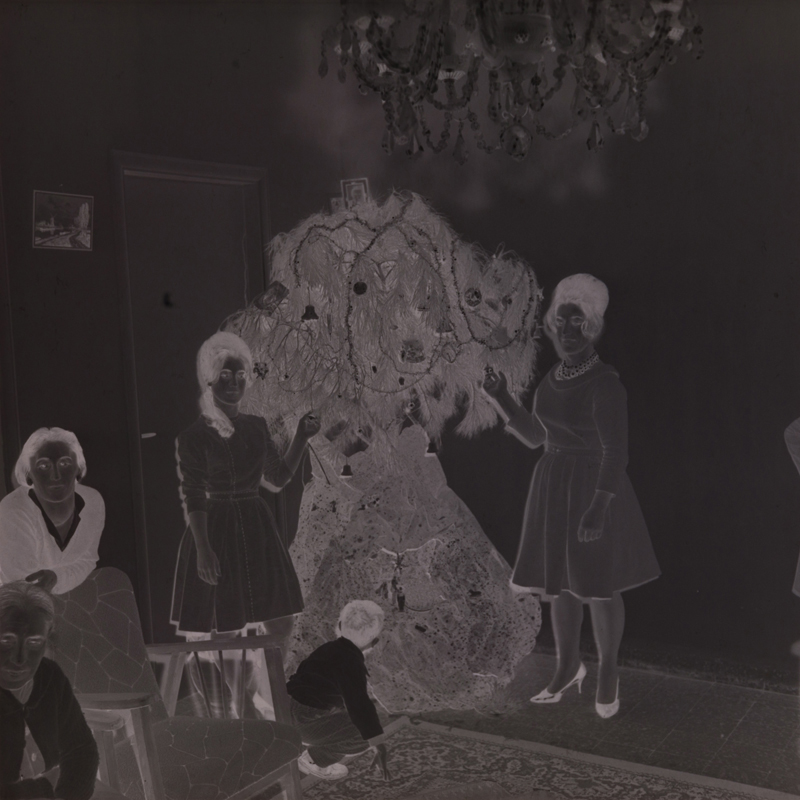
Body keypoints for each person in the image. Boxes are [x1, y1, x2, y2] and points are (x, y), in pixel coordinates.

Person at [483, 273, 659, 718]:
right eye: (560, 322)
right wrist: (502, 397)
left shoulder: (605, 383)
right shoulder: (553, 377)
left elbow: (616, 453)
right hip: (553, 484)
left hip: (594, 488)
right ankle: (567, 666)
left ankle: (609, 671)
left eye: (576, 322)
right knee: (559, 584)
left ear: (593, 326)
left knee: (600, 588)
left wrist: (598, 507)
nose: (566, 331)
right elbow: (536, 436)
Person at [170, 331, 320, 717]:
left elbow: (278, 477)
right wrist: (203, 548)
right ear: (210, 379)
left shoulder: (256, 426)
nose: (234, 383)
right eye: (225, 375)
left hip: (256, 528)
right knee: (227, 629)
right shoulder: (193, 437)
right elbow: (194, 495)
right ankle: (241, 706)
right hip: (215, 530)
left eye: (240, 375)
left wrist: (301, 437)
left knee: (280, 624)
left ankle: (263, 696)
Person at [0, 581, 99, 800]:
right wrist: (45, 787)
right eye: (7, 640)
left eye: (34, 642)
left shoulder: (50, 677)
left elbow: (81, 751)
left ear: (47, 641)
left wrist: (65, 795)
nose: (19, 659)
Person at [287, 600, 391, 781]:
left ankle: (309, 740)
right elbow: (360, 707)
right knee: (372, 725)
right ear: (373, 642)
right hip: (305, 722)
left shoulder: (327, 648)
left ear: (340, 625)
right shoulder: (351, 663)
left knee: (349, 709)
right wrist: (379, 744)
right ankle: (313, 759)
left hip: (287, 707)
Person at [0, 429, 105, 595]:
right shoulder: (12, 511)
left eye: (64, 464)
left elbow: (88, 559)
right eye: (44, 466)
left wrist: (57, 578)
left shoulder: (92, 502)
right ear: (28, 475)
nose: (55, 475)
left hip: (63, 596)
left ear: (78, 469)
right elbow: (26, 589)